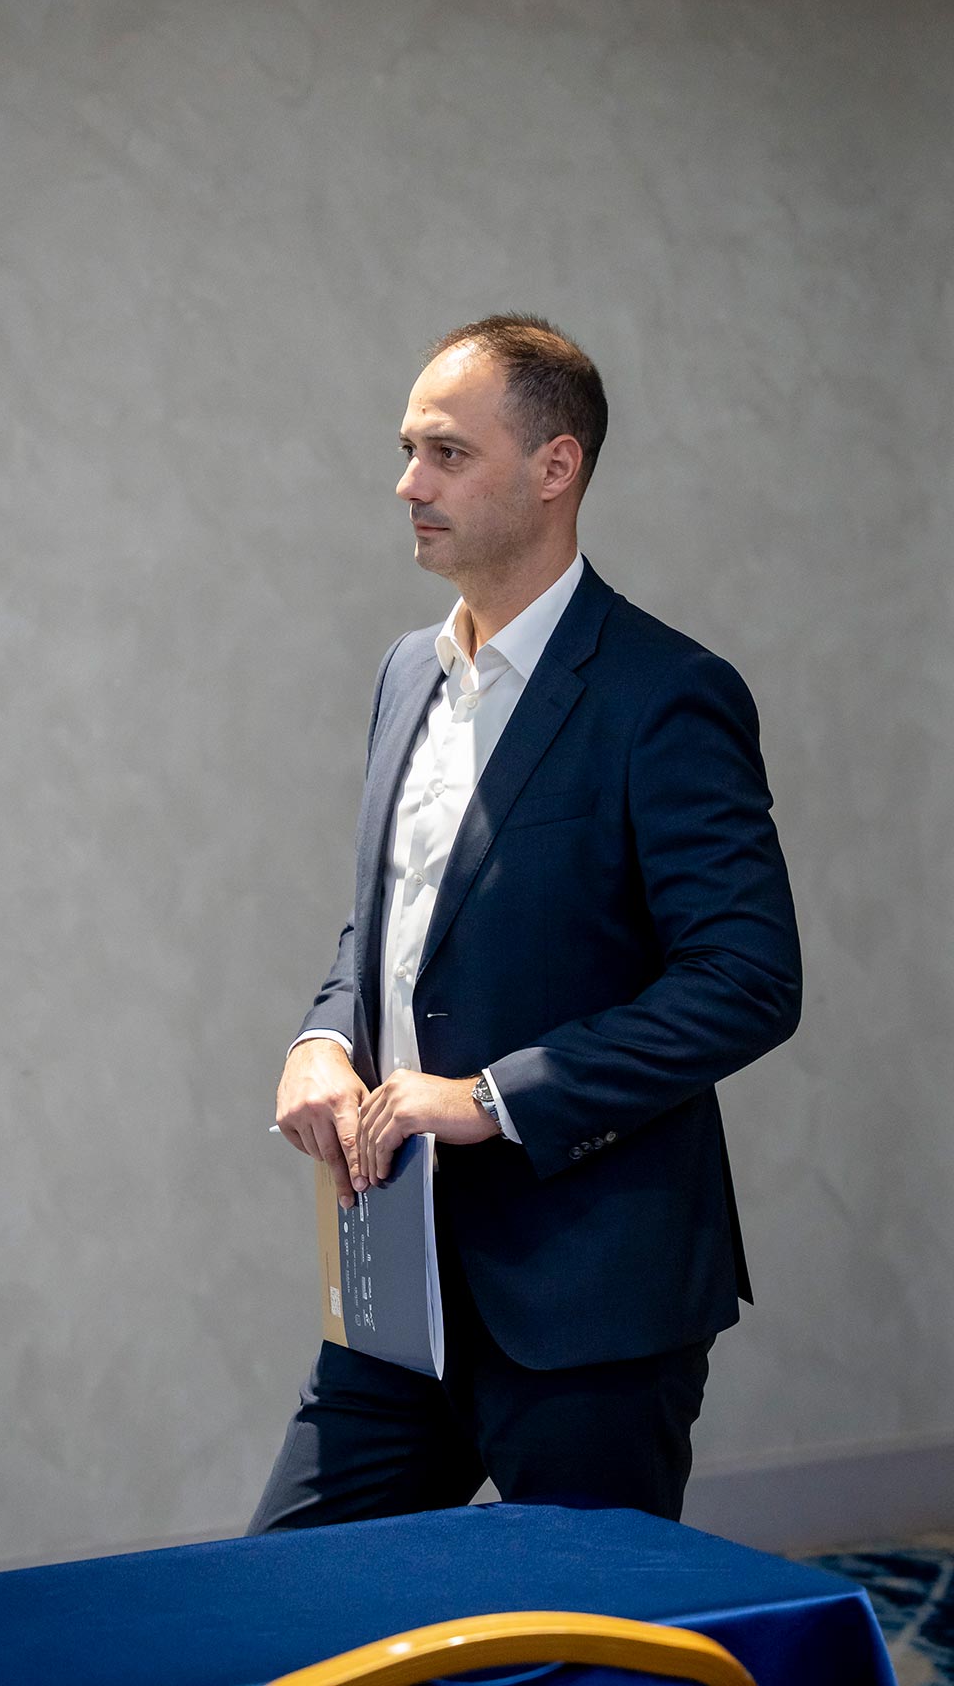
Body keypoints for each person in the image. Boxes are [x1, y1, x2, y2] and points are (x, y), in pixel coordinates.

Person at [248, 315, 802, 1533]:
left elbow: (747, 978)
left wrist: (494, 1097)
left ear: (556, 468)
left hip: (590, 1299)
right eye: (408, 450)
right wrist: (322, 1039)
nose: (409, 484)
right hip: (397, 1289)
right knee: (289, 1599)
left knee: (585, 1630)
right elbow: (391, 929)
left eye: (447, 453)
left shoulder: (667, 695)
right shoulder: (406, 672)